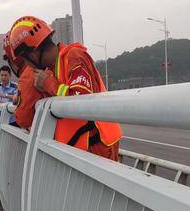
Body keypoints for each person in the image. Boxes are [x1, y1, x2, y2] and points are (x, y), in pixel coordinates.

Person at [8, 15, 122, 161]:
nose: (27, 66)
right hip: (80, 149)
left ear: (33, 53)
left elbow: (82, 101)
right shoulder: (52, 69)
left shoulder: (74, 56)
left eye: (24, 59)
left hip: (97, 145)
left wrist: (49, 84)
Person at [2, 31, 45, 131]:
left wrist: (19, 102)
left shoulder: (27, 76)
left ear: (14, 60)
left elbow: (23, 119)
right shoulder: (42, 68)